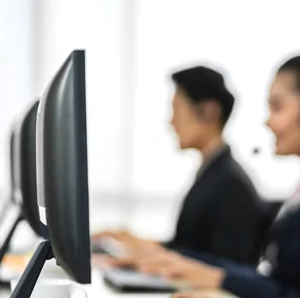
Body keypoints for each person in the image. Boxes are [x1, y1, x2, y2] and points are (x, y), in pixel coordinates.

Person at [116, 55, 300, 298]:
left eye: (278, 107)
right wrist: (185, 264)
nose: (268, 121)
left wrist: (216, 277)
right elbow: (272, 277)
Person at [94, 66, 263, 265]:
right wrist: (131, 242)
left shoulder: (231, 183)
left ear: (208, 110)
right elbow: (189, 248)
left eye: (177, 109)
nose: (172, 121)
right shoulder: (213, 173)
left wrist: (151, 257)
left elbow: (222, 267)